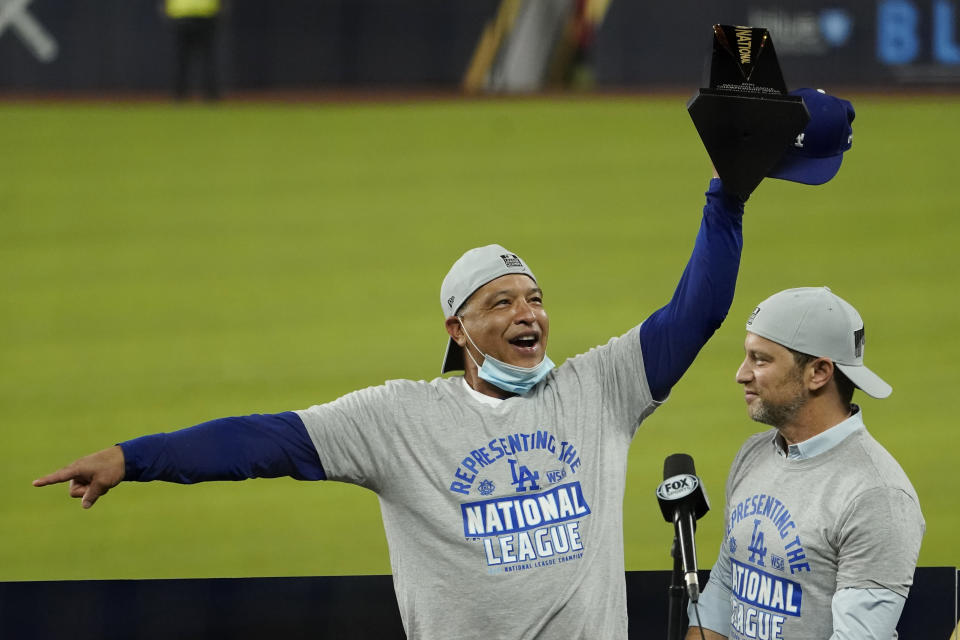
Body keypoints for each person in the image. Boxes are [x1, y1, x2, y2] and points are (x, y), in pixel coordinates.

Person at [34, 169, 745, 638]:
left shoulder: (599, 389)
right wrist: (134, 458)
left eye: (535, 298)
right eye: (501, 302)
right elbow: (264, 442)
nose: (527, 313)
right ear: (457, 330)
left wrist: (728, 199)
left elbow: (697, 312)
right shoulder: (399, 419)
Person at [686, 287, 924, 640]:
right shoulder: (753, 454)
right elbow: (725, 587)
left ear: (818, 372)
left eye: (760, 360)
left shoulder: (877, 495)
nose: (742, 374)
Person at [165, 0, 221, 101]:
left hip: (184, 14)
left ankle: (179, 95)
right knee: (205, 59)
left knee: (182, 59)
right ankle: (211, 94)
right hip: (204, 13)